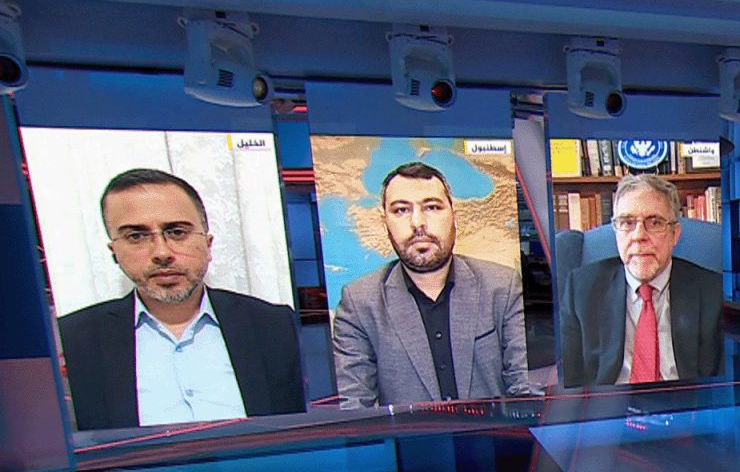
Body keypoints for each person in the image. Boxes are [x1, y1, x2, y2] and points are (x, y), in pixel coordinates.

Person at [57, 168, 304, 431]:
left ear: (208, 244)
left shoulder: (276, 326)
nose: (162, 253)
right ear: (114, 252)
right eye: (136, 236)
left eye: (176, 232)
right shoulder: (73, 340)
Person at [332, 162, 537, 408]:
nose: (418, 223)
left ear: (454, 216)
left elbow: (525, 388)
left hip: (495, 432)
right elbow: (354, 408)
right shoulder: (359, 303)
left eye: (432, 207)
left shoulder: (503, 287)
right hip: (412, 435)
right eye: (401, 210)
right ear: (385, 222)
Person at [559, 174, 723, 387]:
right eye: (627, 223)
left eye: (654, 222)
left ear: (674, 234)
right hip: (610, 404)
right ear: (615, 232)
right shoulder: (580, 289)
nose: (638, 236)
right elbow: (570, 383)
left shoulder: (714, 293)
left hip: (685, 404)